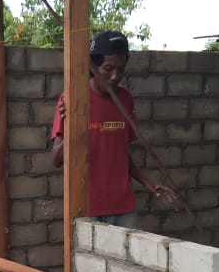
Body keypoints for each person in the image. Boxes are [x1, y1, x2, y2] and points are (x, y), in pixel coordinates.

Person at [50, 29, 177, 226]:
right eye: (108, 68)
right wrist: (74, 130)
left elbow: (119, 152)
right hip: (86, 208)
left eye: (121, 69)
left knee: (127, 258)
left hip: (122, 206)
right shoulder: (72, 100)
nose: (115, 76)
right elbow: (56, 159)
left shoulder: (125, 99)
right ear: (93, 67)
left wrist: (147, 183)